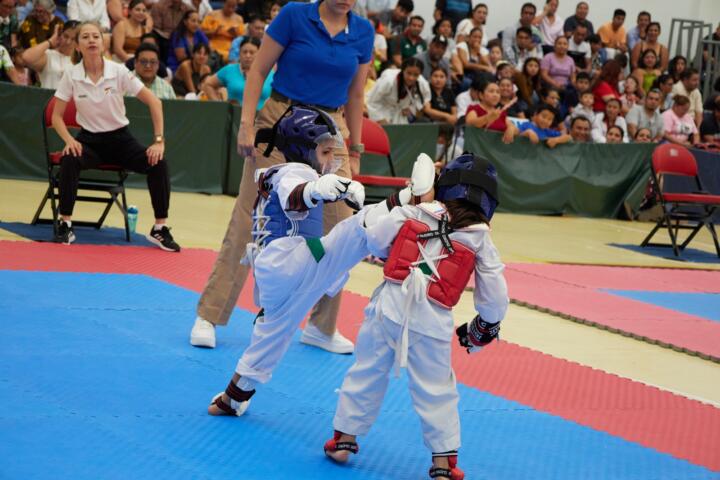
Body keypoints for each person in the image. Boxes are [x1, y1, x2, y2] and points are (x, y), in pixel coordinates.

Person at [205, 108, 435, 419]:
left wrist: (328, 188)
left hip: (280, 272)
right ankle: (407, 201)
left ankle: (233, 397)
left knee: (273, 335)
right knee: (353, 231)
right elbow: (296, 197)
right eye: (325, 151)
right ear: (303, 148)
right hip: (287, 258)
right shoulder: (294, 173)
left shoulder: (288, 173)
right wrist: (321, 189)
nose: (329, 159)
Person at [189, 0, 374, 351]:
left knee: (343, 229)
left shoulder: (363, 32)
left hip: (330, 131)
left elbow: (356, 93)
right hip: (279, 119)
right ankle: (209, 314)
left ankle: (321, 325)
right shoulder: (294, 15)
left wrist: (356, 149)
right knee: (250, 219)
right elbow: (258, 70)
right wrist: (246, 125)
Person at [324, 153, 508, 480]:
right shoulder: (480, 237)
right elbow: (495, 297)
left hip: (389, 306)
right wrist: (484, 326)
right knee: (436, 388)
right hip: (433, 320)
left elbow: (376, 238)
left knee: (367, 371)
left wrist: (402, 210)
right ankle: (443, 462)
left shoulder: (414, 211)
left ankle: (345, 439)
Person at [51, 22, 180, 251]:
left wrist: (159, 142)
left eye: (96, 36)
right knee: (69, 158)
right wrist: (69, 141)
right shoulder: (71, 75)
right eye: (85, 37)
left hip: (121, 141)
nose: (91, 40)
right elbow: (56, 117)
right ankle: (65, 223)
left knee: (158, 162)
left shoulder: (118, 71)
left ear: (103, 43)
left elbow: (155, 102)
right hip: (89, 141)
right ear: (78, 46)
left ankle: (160, 228)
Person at [203, 37, 273, 104]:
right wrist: (219, 106)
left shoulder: (269, 74)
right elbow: (208, 84)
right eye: (244, 52)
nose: (248, 55)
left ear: (259, 54)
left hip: (260, 115)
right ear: (239, 53)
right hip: (233, 114)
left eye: (252, 52)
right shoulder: (229, 70)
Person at [366, 57, 431, 124]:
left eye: (416, 75)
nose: (411, 78)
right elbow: (373, 102)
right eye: (409, 73)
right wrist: (380, 119)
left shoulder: (422, 83)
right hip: (382, 110)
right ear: (403, 70)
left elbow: (422, 101)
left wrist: (411, 108)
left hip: (400, 114)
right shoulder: (388, 81)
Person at [21, 20, 78, 88]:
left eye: (73, 39)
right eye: (65, 36)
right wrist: (50, 41)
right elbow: (26, 57)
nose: (68, 42)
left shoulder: (82, 60)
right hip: (49, 97)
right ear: (60, 35)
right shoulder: (49, 55)